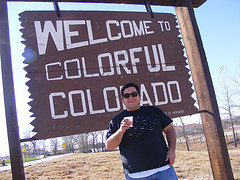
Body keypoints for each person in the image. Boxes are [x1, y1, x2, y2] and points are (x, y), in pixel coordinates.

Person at [105, 82, 178, 179]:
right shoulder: (116, 121)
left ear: (139, 96)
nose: (131, 98)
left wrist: (172, 150)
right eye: (127, 96)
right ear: (123, 100)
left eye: (134, 94)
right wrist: (120, 131)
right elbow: (109, 146)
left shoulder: (154, 111)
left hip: (164, 169)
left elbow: (169, 129)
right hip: (136, 175)